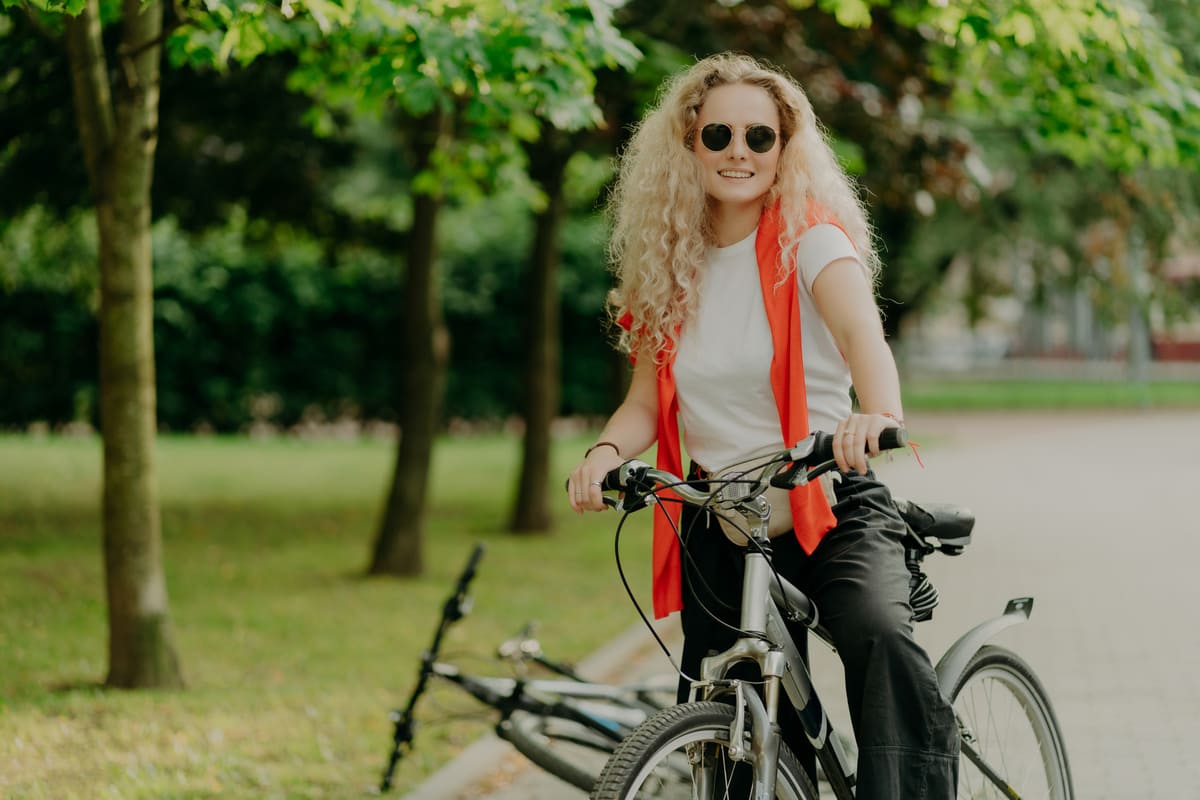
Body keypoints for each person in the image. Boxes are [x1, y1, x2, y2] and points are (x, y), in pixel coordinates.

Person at [565, 53, 959, 797]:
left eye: (760, 135)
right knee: (723, 716)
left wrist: (875, 417)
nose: (739, 151)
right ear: (687, 145)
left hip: (827, 502)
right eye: (718, 135)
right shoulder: (667, 266)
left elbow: (864, 343)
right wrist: (603, 454)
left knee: (876, 633)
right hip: (724, 518)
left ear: (786, 147)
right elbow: (647, 402)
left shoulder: (810, 240)